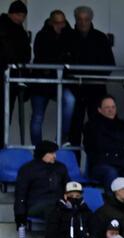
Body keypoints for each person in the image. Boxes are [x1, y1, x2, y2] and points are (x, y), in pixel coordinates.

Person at [68, 5, 116, 145]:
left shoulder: (100, 38)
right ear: (75, 20)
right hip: (75, 89)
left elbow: (110, 64)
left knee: (97, 129)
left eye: (86, 19)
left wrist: (97, 79)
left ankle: (94, 165)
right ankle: (75, 165)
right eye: (80, 19)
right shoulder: (69, 38)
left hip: (96, 90)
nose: (83, 22)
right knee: (74, 130)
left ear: (91, 20)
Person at [29, 10, 76, 146]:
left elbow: (72, 57)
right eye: (56, 22)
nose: (59, 26)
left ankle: (61, 139)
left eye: (62, 22)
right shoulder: (41, 35)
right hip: (41, 82)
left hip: (59, 81)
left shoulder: (69, 36)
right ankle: (37, 149)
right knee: (37, 117)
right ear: (50, 22)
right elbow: (41, 57)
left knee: (70, 100)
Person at [14, 141, 69, 238]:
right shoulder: (27, 169)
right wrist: (20, 216)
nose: (55, 156)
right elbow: (20, 194)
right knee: (53, 208)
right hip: (35, 205)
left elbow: (68, 186)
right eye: (51, 153)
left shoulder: (60, 168)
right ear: (43, 154)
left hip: (58, 203)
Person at [0, 1, 31, 149]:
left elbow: (25, 53)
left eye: (24, 16)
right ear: (12, 13)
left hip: (12, 79)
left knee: (7, 116)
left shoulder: (19, 31)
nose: (22, 18)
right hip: (8, 76)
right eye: (19, 15)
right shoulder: (6, 28)